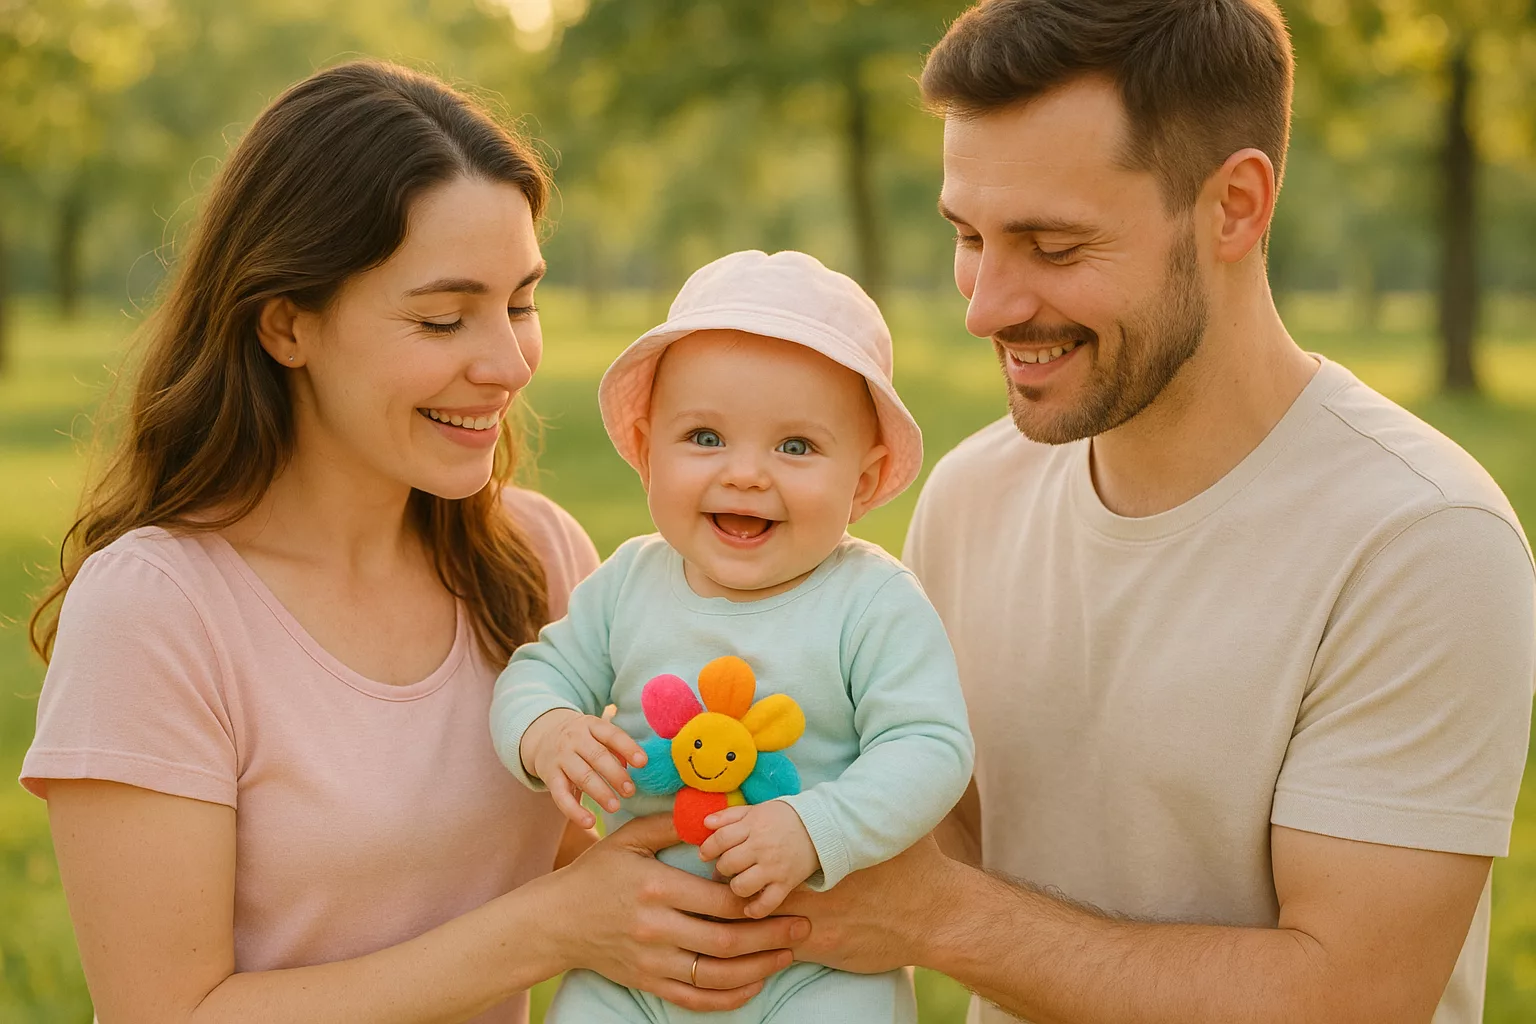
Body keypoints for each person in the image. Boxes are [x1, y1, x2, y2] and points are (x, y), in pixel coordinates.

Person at [782, 2, 1536, 1022]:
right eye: (968, 236)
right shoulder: (970, 495)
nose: (986, 305)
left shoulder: (1422, 539)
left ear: (1234, 206)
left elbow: (1352, 995)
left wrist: (943, 920)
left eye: (1053, 245)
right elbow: (927, 838)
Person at [20, 61, 806, 1024]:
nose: (508, 362)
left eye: (520, 303)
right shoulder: (156, 611)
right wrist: (549, 931)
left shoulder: (537, 558)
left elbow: (604, 869)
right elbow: (166, 1015)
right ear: (287, 325)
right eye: (442, 319)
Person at [491, 249, 975, 1022]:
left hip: (813, 961)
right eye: (706, 437)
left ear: (863, 479)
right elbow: (537, 671)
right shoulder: (629, 584)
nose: (746, 474)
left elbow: (930, 745)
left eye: (796, 447)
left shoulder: (871, 602)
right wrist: (547, 729)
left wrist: (815, 827)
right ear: (646, 451)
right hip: (639, 962)